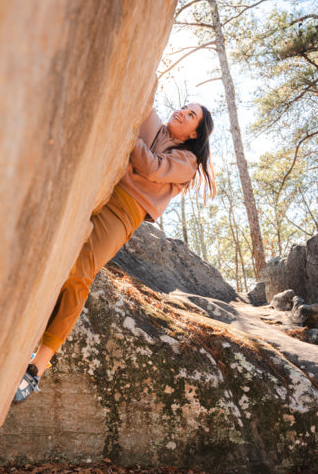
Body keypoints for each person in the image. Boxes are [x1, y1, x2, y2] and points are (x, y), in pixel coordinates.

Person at [14, 102, 216, 404]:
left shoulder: (186, 160)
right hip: (102, 188)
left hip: (125, 212)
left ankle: (37, 366)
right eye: (184, 107)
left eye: (190, 116)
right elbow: (139, 98)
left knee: (81, 271)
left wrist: (130, 139)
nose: (182, 112)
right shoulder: (155, 126)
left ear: (194, 133)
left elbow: (151, 167)